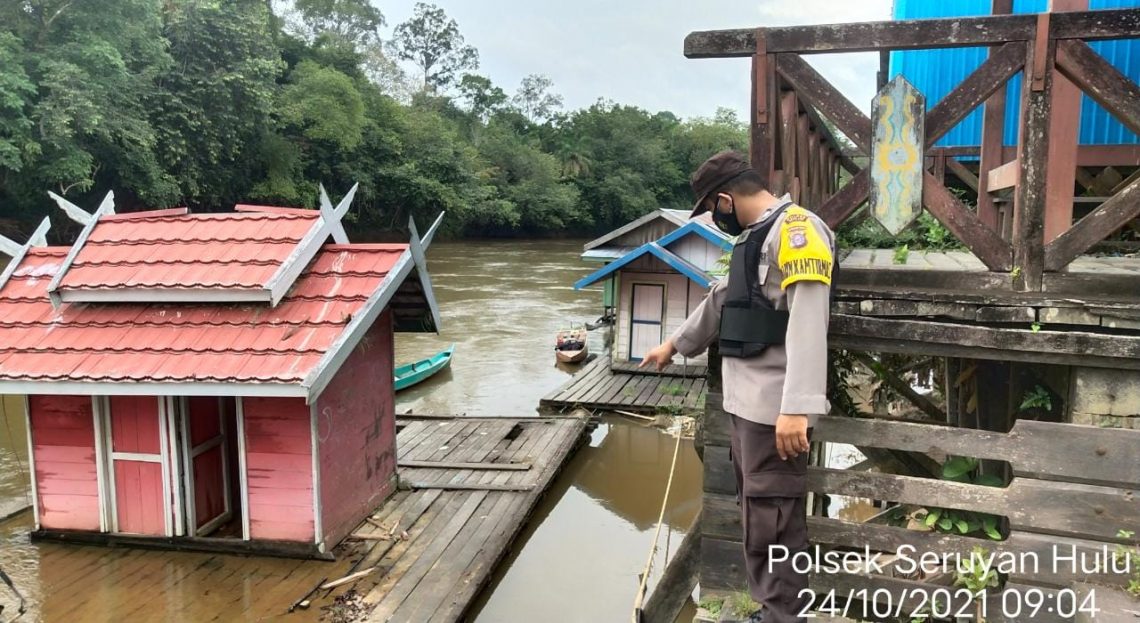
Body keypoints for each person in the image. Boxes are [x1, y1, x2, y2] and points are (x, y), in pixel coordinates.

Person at [639, 150, 835, 622]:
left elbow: (810, 317)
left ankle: (784, 616)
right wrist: (675, 345)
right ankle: (771, 611)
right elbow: (725, 297)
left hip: (774, 412)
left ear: (725, 199)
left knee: (775, 522)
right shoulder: (755, 238)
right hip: (746, 408)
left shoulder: (798, 231)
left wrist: (797, 408)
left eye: (710, 208)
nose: (713, 217)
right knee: (758, 520)